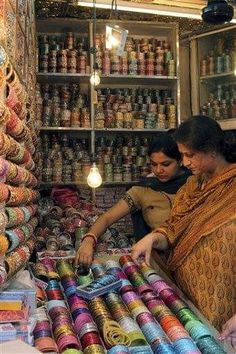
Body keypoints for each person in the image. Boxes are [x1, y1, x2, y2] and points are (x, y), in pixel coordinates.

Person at [132, 115, 236, 330]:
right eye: (182, 155)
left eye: (190, 155)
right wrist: (154, 237)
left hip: (223, 302)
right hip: (184, 296)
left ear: (213, 150)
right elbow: (173, 227)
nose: (186, 162)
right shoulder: (191, 187)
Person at [75, 132, 190, 268]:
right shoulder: (143, 189)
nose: (159, 170)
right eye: (153, 164)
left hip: (195, 259)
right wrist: (89, 239)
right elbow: (108, 217)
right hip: (162, 263)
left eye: (166, 164)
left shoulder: (195, 183)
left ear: (180, 160)